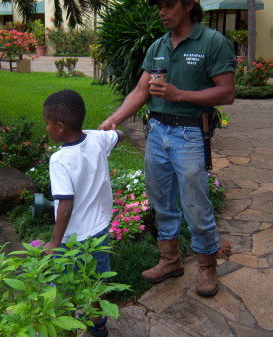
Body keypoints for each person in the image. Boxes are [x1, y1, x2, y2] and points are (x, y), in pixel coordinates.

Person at [98, 0, 235, 297]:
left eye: (168, 5)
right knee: (160, 200)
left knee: (195, 204)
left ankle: (206, 266)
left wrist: (180, 94)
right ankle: (170, 260)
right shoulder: (157, 45)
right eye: (158, 6)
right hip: (157, 132)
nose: (161, 11)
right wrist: (113, 120)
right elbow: (140, 91)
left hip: (190, 133)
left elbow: (227, 92)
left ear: (188, 5)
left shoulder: (213, 42)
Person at [42, 89, 124, 336]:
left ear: (59, 126)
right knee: (94, 284)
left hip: (74, 239)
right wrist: (113, 129)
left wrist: (55, 242)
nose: (46, 129)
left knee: (69, 283)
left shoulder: (59, 160)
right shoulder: (97, 139)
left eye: (47, 123)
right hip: (99, 230)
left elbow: (65, 204)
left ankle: (72, 322)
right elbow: (119, 135)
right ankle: (98, 326)